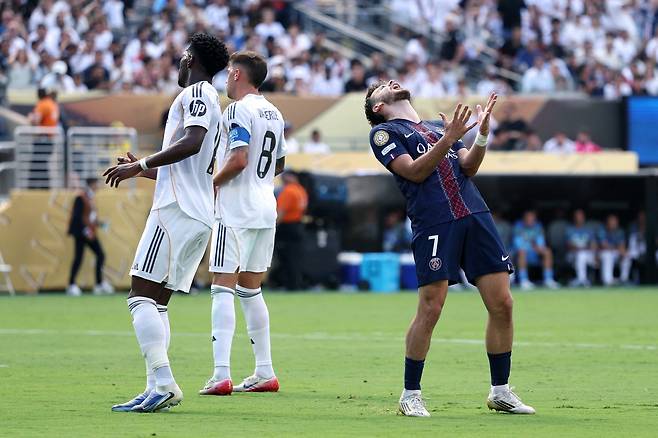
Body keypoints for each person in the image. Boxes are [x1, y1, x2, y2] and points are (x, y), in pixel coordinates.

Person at [364, 81, 534, 417]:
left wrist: (481, 135)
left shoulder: (437, 125)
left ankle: (500, 392)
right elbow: (414, 172)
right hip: (435, 221)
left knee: (503, 303)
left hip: (475, 213)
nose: (392, 83)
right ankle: (410, 394)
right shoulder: (384, 133)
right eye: (383, 87)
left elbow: (468, 167)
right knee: (431, 307)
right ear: (377, 107)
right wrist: (449, 138)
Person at [103, 33, 229, 413]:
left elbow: (191, 142)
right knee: (157, 303)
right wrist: (144, 171)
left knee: (139, 295)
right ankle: (154, 385)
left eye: (181, 57)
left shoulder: (196, 94)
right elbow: (192, 166)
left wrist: (139, 165)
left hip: (176, 211)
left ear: (190, 58)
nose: (178, 63)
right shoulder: (214, 102)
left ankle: (164, 381)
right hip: (196, 209)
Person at [199, 51, 286, 397]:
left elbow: (238, 157)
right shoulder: (275, 113)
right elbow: (278, 165)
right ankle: (264, 371)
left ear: (236, 74)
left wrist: (213, 184)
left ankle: (221, 374)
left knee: (222, 287)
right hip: (266, 207)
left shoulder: (236, 110)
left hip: (235, 209)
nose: (224, 78)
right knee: (250, 290)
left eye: (227, 73)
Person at [66, 178, 113, 296]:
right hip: (82, 233)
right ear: (91, 184)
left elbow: (90, 217)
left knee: (100, 255)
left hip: (89, 232)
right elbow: (77, 217)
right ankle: (71, 285)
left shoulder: (90, 197)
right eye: (96, 184)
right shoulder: (80, 197)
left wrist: (101, 224)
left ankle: (98, 284)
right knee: (79, 258)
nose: (98, 186)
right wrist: (86, 230)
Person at [273, 170, 308, 290]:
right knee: (295, 257)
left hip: (287, 227)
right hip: (297, 225)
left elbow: (280, 213)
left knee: (287, 257)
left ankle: (289, 284)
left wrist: (272, 226)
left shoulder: (288, 191)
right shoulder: (301, 190)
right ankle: (295, 283)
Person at [512, 210, 559, 290]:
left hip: (534, 252)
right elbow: (518, 244)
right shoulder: (518, 226)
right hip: (520, 254)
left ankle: (548, 280)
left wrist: (537, 247)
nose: (530, 220)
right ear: (524, 218)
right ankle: (524, 280)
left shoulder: (538, 226)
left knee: (547, 252)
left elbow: (541, 243)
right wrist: (531, 246)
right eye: (528, 218)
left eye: (532, 218)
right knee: (522, 252)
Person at [566, 209, 597, 287]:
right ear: (574, 218)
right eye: (577, 217)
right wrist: (582, 248)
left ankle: (581, 280)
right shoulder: (570, 229)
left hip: (588, 254)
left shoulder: (589, 230)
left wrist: (596, 255)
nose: (579, 218)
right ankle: (582, 280)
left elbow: (593, 245)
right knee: (581, 254)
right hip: (572, 255)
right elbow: (569, 245)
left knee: (583, 254)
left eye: (580, 217)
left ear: (584, 218)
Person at [598, 214, 626, 286]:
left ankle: (624, 279)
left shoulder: (620, 232)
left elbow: (622, 246)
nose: (612, 223)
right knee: (607, 254)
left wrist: (621, 251)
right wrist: (617, 248)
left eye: (614, 221)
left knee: (626, 255)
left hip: (615, 252)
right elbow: (604, 245)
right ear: (607, 222)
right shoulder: (602, 230)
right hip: (602, 254)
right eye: (611, 221)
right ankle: (607, 281)